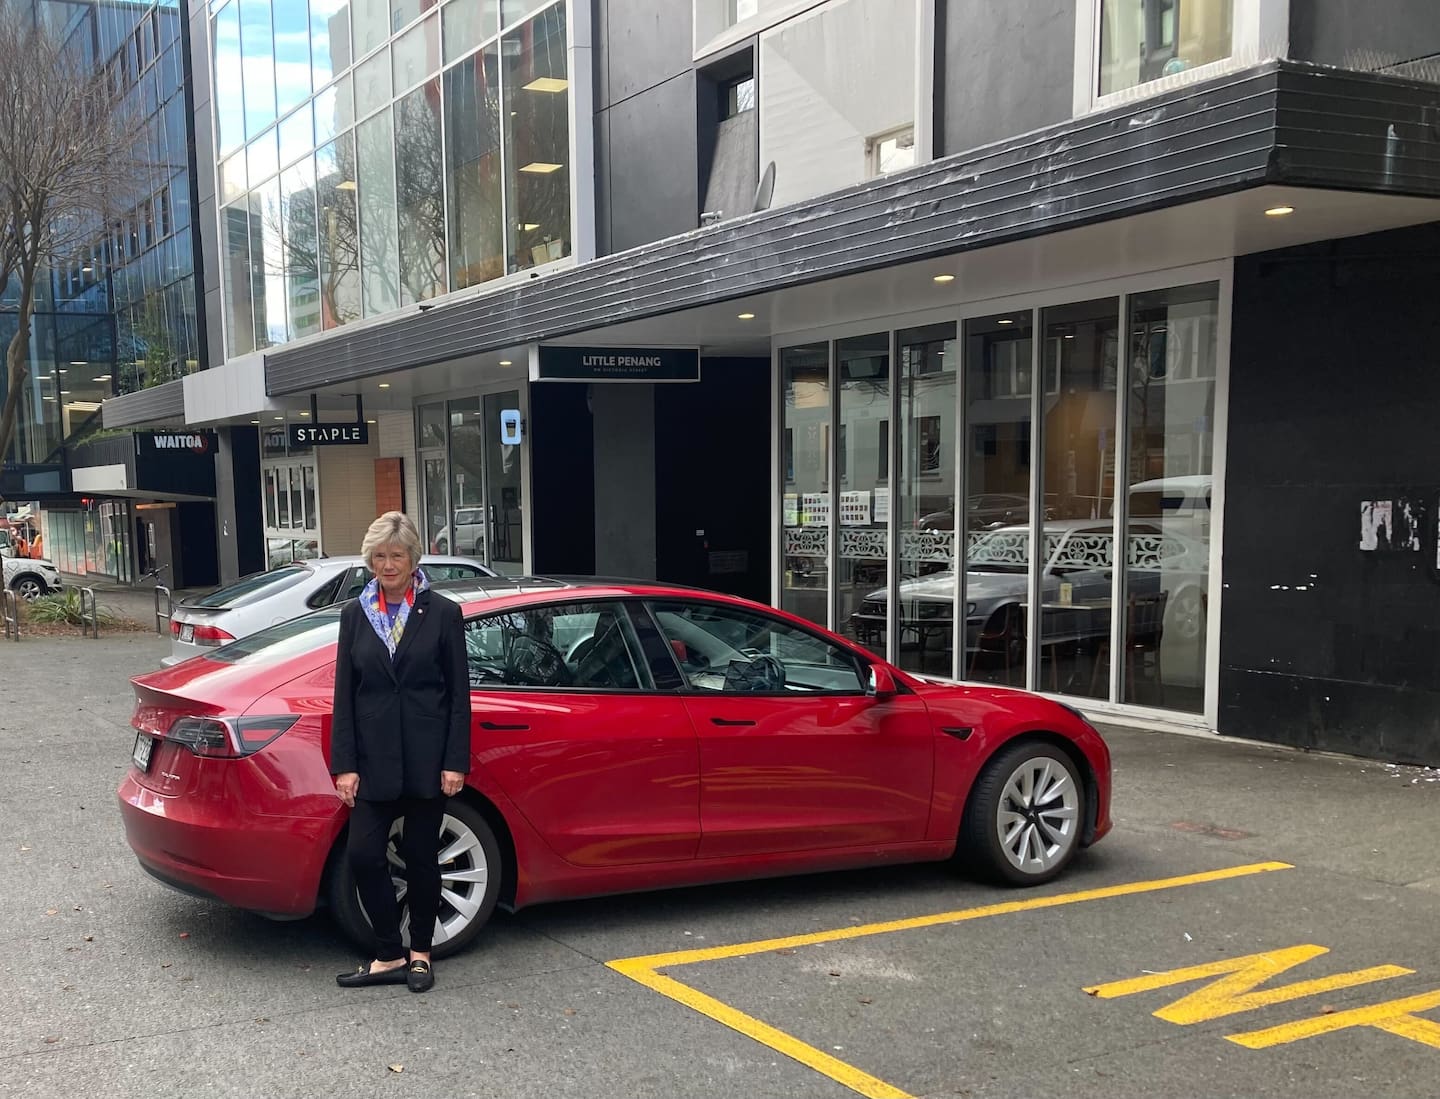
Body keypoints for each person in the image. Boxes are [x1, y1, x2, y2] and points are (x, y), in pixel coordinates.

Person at [330, 512, 470, 993]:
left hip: (429, 759)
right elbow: (344, 694)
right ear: (370, 560)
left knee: (420, 857)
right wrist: (344, 765)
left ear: (413, 559)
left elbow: (458, 696)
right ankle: (388, 952)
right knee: (365, 856)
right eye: (379, 556)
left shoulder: (444, 613)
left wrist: (456, 761)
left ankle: (420, 953)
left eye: (397, 555)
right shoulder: (354, 613)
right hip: (371, 760)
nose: (388, 565)